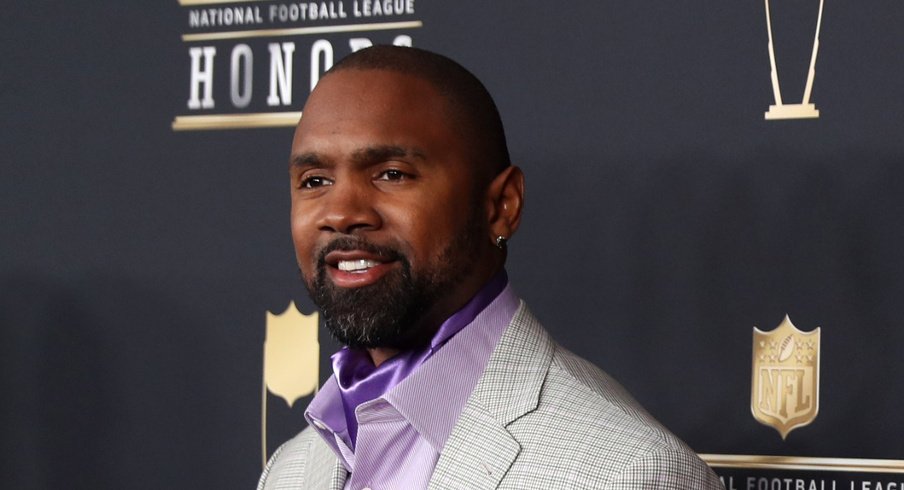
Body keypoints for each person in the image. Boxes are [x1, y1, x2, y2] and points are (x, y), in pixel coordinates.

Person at [258, 45, 723, 489]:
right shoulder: (293, 469)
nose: (341, 213)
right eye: (314, 181)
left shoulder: (629, 475)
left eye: (392, 174)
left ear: (501, 205)